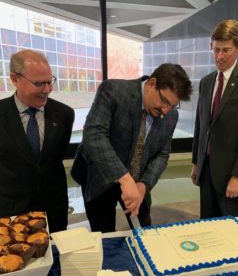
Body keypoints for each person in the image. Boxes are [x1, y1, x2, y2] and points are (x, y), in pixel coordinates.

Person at [72, 63, 192, 232]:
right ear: (151, 84)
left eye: (172, 105)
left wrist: (144, 185)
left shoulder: (171, 116)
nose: (166, 110)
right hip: (100, 175)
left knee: (144, 232)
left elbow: (162, 154)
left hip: (137, 182)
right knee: (104, 234)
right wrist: (124, 178)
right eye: (164, 101)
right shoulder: (114, 91)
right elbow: (94, 135)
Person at [191, 19, 238, 219]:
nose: (220, 56)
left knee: (233, 236)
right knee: (208, 228)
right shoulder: (207, 82)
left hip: (235, 178)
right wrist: (195, 162)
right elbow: (201, 125)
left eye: (226, 50)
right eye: (216, 50)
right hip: (207, 172)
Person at [0, 49, 74, 233]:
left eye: (50, 82)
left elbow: (55, 159)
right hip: (10, 212)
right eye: (39, 83)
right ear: (15, 79)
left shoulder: (64, 114)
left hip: (53, 210)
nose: (47, 90)